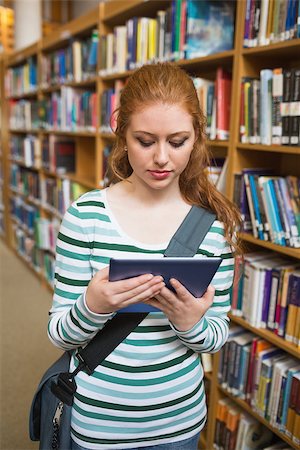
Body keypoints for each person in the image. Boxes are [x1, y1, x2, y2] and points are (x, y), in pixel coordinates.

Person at [48, 62, 241, 450]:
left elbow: (216, 335)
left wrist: (190, 324)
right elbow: (59, 333)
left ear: (196, 137)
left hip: (180, 421)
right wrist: (93, 305)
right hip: (99, 422)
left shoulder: (212, 227)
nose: (162, 159)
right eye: (145, 140)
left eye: (177, 141)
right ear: (121, 132)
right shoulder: (86, 216)